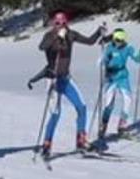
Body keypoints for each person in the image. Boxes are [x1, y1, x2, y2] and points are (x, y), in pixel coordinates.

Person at [37, 11, 106, 158]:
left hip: (65, 79)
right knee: (55, 114)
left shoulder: (71, 34)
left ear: (66, 23)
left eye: (62, 23)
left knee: (81, 107)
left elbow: (89, 41)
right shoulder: (49, 35)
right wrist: (57, 37)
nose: (59, 25)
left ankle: (81, 141)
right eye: (56, 23)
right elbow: (42, 47)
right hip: (52, 80)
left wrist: (99, 32)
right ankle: (47, 144)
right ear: (53, 23)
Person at [98, 28, 140, 138]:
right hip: (111, 78)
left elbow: (137, 59)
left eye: (121, 40)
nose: (119, 42)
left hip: (123, 77)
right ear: (113, 39)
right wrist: (105, 61)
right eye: (117, 40)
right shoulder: (110, 48)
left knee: (128, 99)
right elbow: (102, 61)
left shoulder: (128, 48)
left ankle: (122, 125)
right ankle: (104, 124)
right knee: (109, 105)